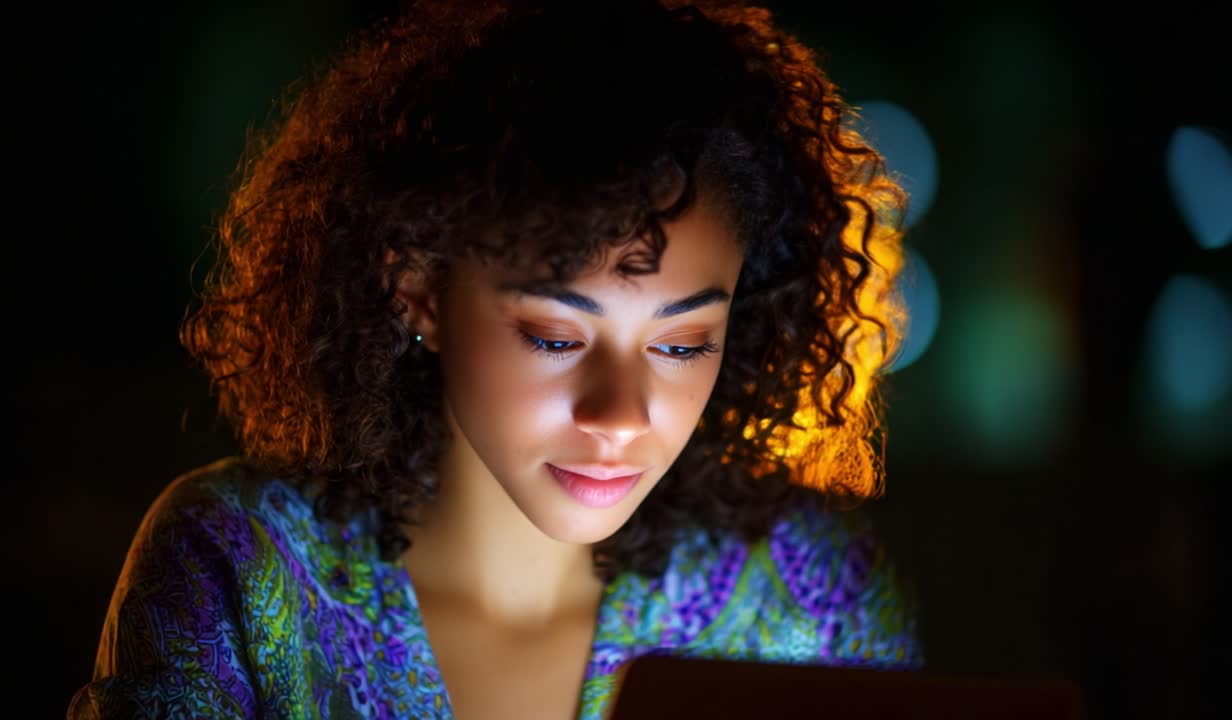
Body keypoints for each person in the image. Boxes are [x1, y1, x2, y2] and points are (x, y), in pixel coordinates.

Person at [68, 0, 921, 717]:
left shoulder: (812, 594)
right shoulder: (241, 564)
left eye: (680, 343)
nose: (620, 414)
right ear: (418, 292)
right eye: (554, 337)